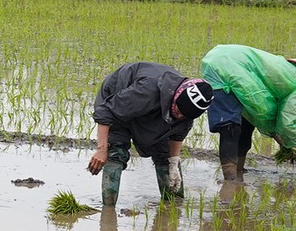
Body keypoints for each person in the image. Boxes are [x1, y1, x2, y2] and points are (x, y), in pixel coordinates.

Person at [200, 45, 296, 183]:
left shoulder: (292, 73)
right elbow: (288, 125)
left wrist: (285, 144)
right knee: (230, 126)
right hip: (230, 66)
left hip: (215, 59)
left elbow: (262, 111)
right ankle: (230, 183)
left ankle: (238, 170)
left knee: (245, 123)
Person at [86, 63, 212, 208]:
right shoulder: (147, 90)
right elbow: (106, 112)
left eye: (184, 116)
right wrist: (102, 149)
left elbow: (177, 134)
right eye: (179, 109)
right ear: (176, 97)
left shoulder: (185, 114)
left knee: (164, 154)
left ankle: (174, 208)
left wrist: (173, 163)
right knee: (116, 152)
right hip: (116, 101)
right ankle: (108, 212)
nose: (180, 115)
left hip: (155, 109)